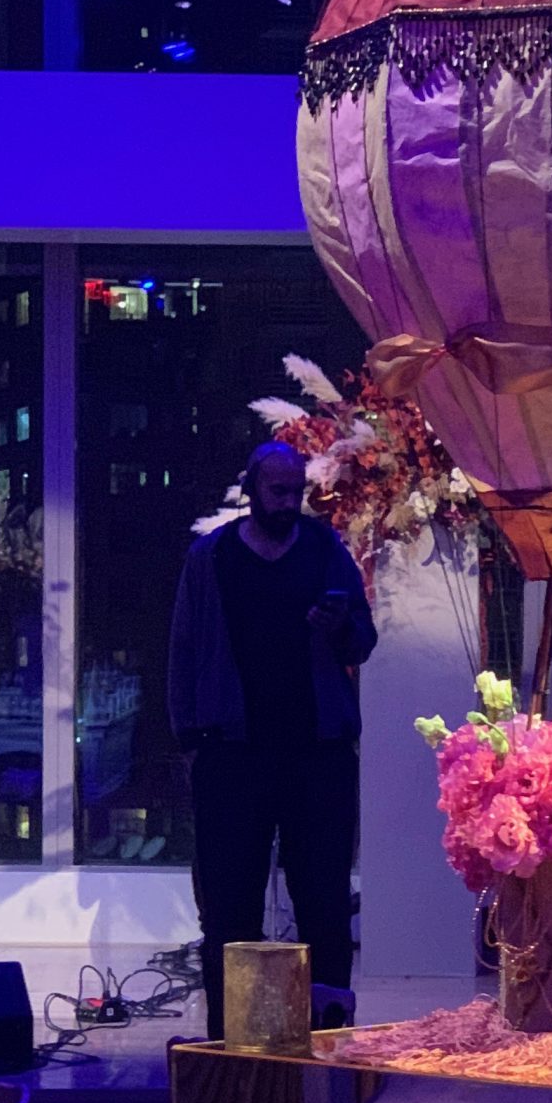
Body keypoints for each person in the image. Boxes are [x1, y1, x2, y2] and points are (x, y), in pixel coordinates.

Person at [168, 439, 377, 1037]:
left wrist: (338, 627)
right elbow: (184, 650)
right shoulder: (211, 558)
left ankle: (327, 1040)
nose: (288, 501)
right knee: (230, 909)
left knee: (325, 905)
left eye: (296, 491)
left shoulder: (324, 549)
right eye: (277, 491)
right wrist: (191, 741)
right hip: (233, 755)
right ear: (252, 490)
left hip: (317, 753)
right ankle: (231, 1045)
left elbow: (363, 640)